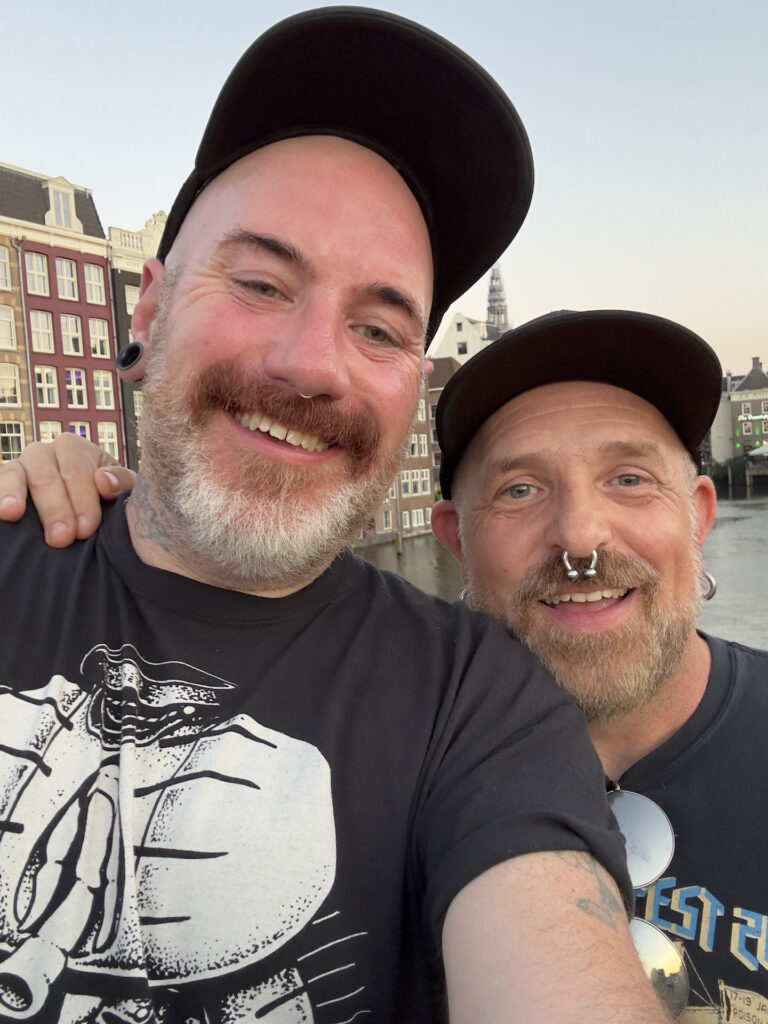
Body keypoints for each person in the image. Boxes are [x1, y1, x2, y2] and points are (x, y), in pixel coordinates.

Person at [0, 11, 668, 1024]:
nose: (312, 363)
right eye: (263, 282)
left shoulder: (483, 707)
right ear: (148, 311)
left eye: (378, 326)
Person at [429, 309, 768, 1020]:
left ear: (699, 517)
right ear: (455, 540)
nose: (580, 536)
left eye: (630, 478)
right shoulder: (388, 772)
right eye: (520, 489)